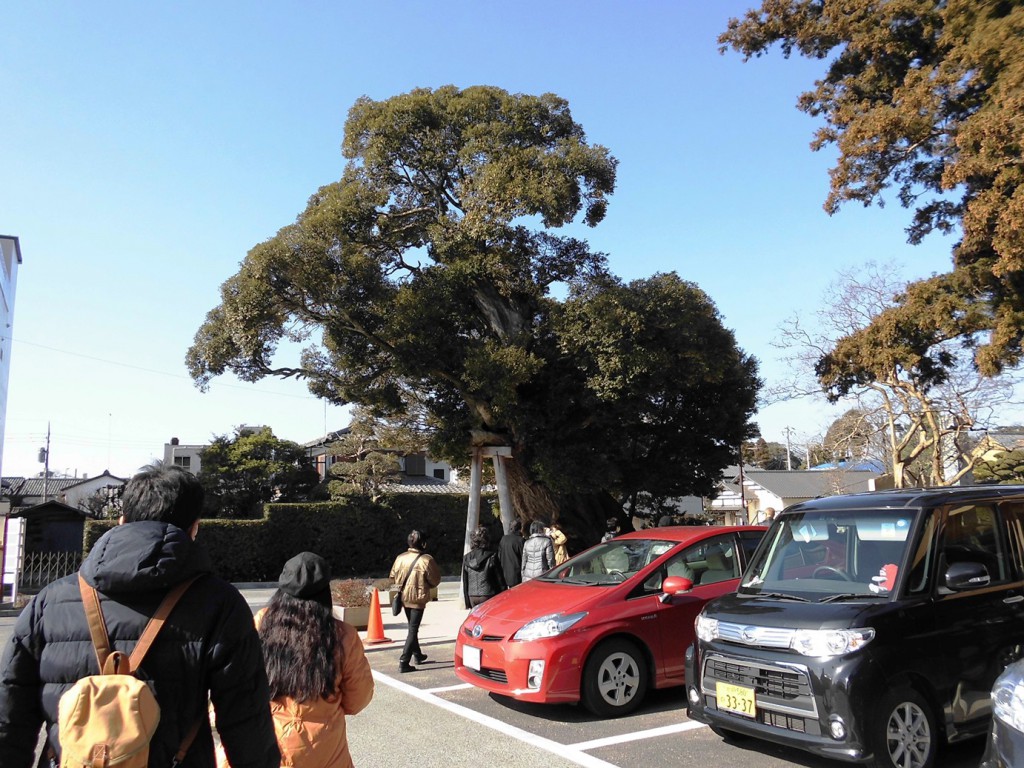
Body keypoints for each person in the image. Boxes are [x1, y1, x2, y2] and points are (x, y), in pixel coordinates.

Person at [0, 465, 280, 768]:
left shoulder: (51, 600)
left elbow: (10, 710)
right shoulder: (220, 603)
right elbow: (246, 719)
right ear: (195, 528)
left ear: (121, 521)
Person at [252, 552, 374, 768]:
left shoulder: (262, 622)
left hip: (269, 741)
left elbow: (243, 680)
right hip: (327, 750)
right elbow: (358, 700)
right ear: (324, 592)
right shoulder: (343, 635)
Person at [390, 530, 441, 674]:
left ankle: (417, 655)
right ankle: (404, 661)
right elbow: (435, 580)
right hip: (418, 599)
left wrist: (397, 592)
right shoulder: (427, 559)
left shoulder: (400, 558)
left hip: (403, 597)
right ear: (423, 543)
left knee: (412, 627)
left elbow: (393, 577)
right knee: (413, 629)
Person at [462, 526, 506, 608]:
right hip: (488, 594)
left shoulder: (467, 558)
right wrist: (503, 595)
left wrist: (467, 601)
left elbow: (465, 582)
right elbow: (500, 580)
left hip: (472, 595)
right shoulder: (492, 556)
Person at [498, 518, 525, 589]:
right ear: (520, 529)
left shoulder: (503, 539)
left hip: (504, 573)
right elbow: (524, 558)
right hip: (517, 574)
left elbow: (499, 555)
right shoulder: (520, 540)